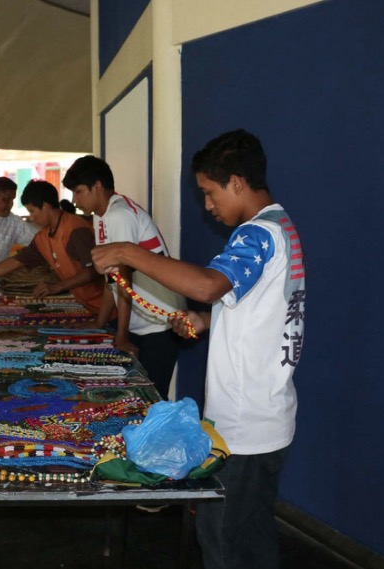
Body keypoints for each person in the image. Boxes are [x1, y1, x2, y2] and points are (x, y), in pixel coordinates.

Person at [91, 129, 305, 569]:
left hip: (244, 427)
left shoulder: (257, 235)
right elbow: (259, 305)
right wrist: (207, 321)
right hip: (270, 417)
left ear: (237, 184)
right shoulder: (282, 227)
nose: (207, 205)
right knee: (254, 534)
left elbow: (208, 285)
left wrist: (130, 253)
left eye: (209, 193)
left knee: (222, 541)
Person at [64, 155, 184, 400]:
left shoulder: (119, 215)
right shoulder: (101, 216)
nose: (75, 201)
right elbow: (111, 278)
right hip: (139, 323)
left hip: (158, 324)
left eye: (78, 192)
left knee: (149, 404)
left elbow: (123, 279)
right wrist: (100, 322)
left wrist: (121, 334)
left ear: (97, 186)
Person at [0, 180, 114, 323]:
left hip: (108, 310)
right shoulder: (43, 237)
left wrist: (58, 286)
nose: (30, 218)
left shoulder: (75, 229)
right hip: (88, 309)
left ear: (45, 206)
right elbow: (14, 262)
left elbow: (94, 270)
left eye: (32, 211)